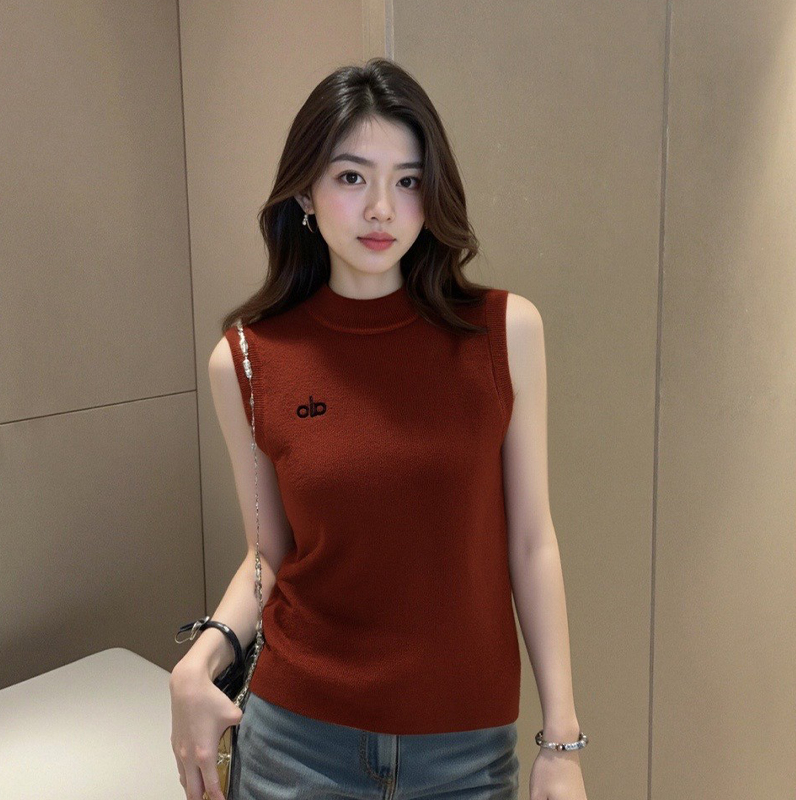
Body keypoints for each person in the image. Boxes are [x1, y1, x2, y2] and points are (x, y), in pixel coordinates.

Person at [169, 57, 588, 800]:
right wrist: (202, 656)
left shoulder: (505, 332)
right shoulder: (246, 360)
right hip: (296, 745)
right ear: (305, 190)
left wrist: (562, 742)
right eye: (351, 177)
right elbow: (270, 553)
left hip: (465, 754)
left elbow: (532, 542)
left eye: (408, 180)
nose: (382, 210)